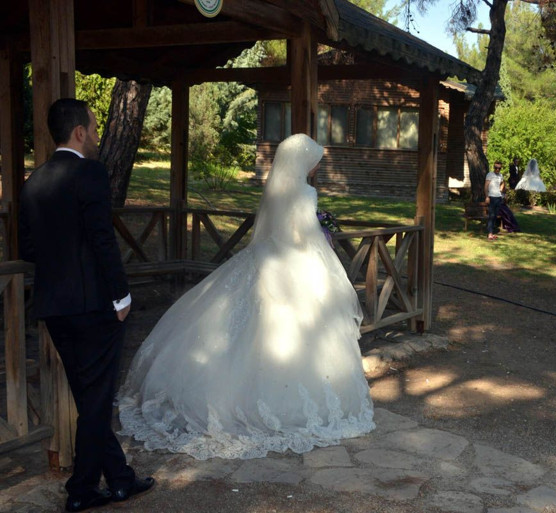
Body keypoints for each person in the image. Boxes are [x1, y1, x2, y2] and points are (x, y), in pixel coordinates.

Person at [118, 134, 375, 460]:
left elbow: (273, 229)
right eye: (315, 158)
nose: (318, 164)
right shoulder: (304, 192)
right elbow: (301, 237)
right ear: (304, 161)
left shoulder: (277, 189)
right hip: (295, 262)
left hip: (265, 257)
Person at [19, 99, 154, 512]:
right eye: (94, 128)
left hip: (53, 307)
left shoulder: (34, 180)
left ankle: (119, 479)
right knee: (97, 400)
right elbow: (102, 238)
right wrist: (121, 295)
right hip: (95, 306)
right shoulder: (90, 172)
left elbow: (27, 248)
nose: (97, 135)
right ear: (79, 132)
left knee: (90, 399)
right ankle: (80, 490)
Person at [485, 161, 505, 240]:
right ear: (494, 167)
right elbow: (486, 186)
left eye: (499, 168)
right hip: (491, 197)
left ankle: (492, 232)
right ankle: (490, 233)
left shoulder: (500, 175)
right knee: (491, 215)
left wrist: (501, 189)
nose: (497, 169)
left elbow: (503, 183)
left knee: (495, 216)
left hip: (498, 197)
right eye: (496, 168)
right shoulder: (490, 175)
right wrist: (487, 196)